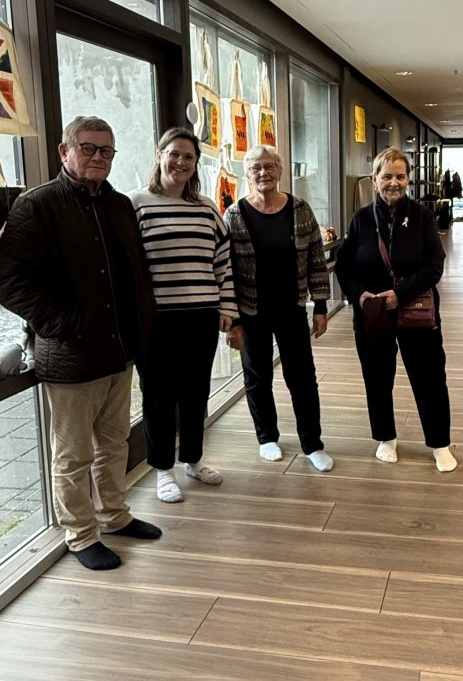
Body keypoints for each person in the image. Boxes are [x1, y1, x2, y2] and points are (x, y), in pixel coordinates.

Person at [0, 116, 162, 570]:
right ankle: (80, 534)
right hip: (71, 355)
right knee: (73, 455)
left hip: (119, 352)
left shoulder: (118, 204)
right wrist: (62, 323)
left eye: (106, 150)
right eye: (87, 148)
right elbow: (8, 280)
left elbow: (134, 273)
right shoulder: (37, 206)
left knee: (114, 443)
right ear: (64, 151)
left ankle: (114, 515)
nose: (97, 157)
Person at [129, 127, 238, 503]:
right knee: (158, 396)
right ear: (159, 155)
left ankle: (193, 459)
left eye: (188, 157)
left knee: (195, 393)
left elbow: (224, 263)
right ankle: (162, 470)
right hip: (156, 321)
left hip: (201, 317)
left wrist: (227, 307)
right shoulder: (136, 204)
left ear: (195, 165)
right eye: (174, 153)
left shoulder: (206, 209)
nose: (180, 162)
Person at [336, 147, 457, 472]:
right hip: (373, 313)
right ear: (374, 179)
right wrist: (359, 295)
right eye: (387, 176)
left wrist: (399, 294)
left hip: (416, 309)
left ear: (408, 180)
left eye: (400, 176)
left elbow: (435, 264)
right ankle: (385, 438)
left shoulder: (422, 216)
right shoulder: (361, 219)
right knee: (377, 378)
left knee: (430, 378)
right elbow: (344, 266)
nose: (394, 182)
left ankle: (440, 443)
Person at [223, 146, 334, 472]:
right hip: (250, 311)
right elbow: (226, 269)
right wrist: (233, 320)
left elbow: (316, 258)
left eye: (270, 166)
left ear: (280, 170)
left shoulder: (299, 209)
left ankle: (312, 444)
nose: (263, 173)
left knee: (302, 378)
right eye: (256, 168)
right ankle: (267, 437)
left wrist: (320, 305)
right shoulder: (234, 215)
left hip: (291, 308)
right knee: (257, 377)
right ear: (247, 174)